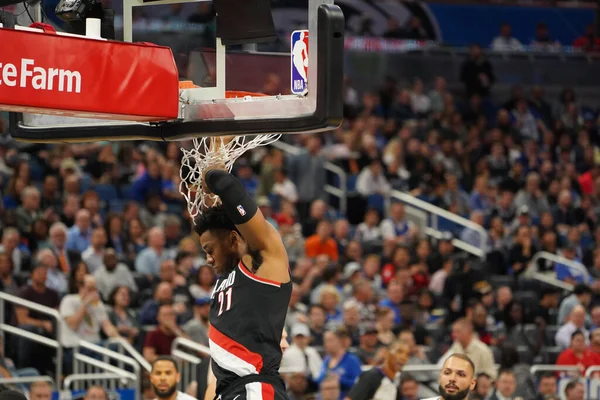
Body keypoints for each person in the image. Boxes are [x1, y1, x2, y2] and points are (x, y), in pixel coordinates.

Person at [195, 149, 292, 400]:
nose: (207, 258)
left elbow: (231, 191)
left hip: (254, 387)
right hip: (230, 390)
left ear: (233, 238)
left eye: (209, 250)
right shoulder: (230, 276)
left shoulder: (264, 259)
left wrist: (214, 176)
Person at [345, 341, 410, 400]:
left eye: (407, 354)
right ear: (386, 353)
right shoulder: (372, 376)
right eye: (399, 352)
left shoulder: (397, 381)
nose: (403, 357)